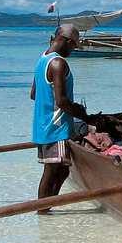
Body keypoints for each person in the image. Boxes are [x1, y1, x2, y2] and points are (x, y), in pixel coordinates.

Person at [31, 24, 92, 212]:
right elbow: (63, 102)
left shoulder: (42, 59)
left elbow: (33, 94)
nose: (73, 51)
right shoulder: (58, 63)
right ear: (66, 41)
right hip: (55, 127)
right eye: (73, 46)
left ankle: (48, 208)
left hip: (43, 124)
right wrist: (82, 113)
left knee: (63, 169)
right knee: (51, 172)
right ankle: (42, 210)